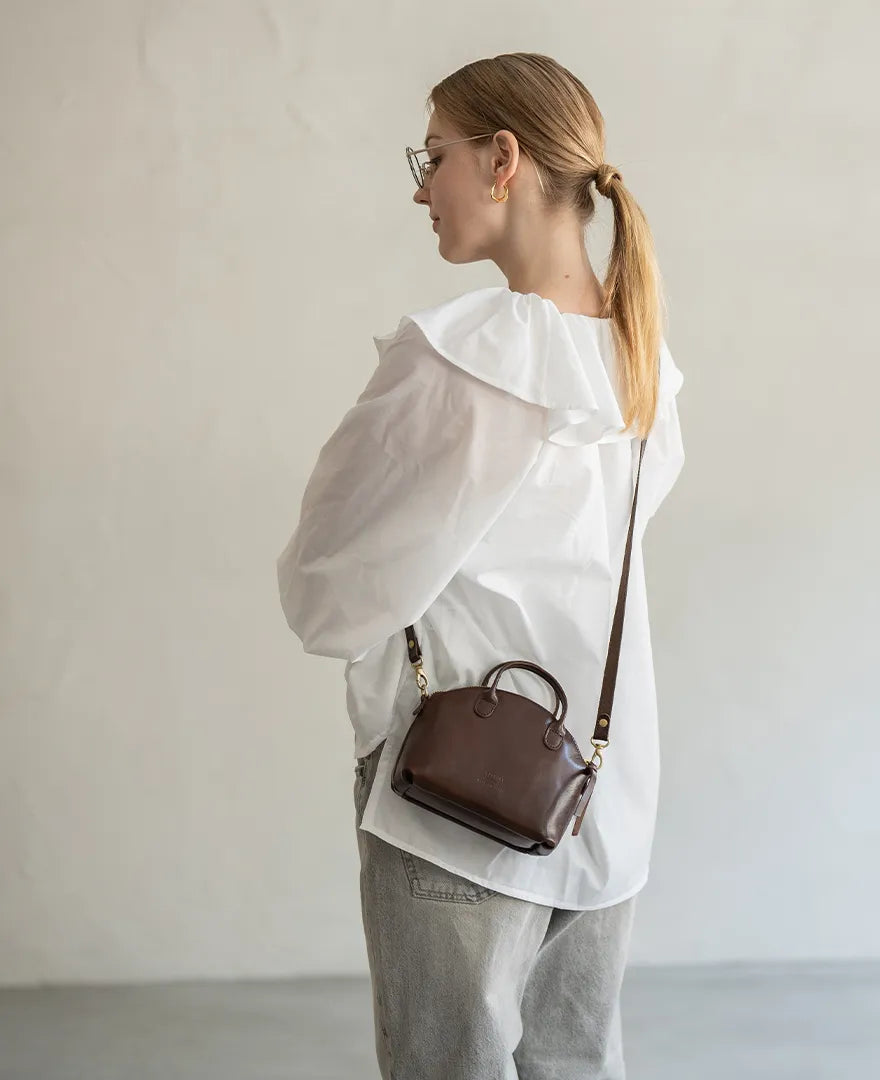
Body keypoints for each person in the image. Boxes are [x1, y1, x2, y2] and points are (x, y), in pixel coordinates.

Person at [276, 51, 686, 1080]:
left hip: (458, 796)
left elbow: (324, 588)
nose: (422, 186)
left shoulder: (462, 356)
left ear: (504, 159)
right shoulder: (643, 359)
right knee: (576, 1062)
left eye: (437, 156)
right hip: (603, 788)